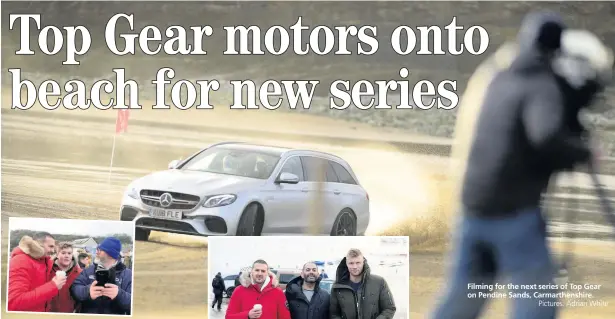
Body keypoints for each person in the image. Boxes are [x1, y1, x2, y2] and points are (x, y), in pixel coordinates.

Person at [431, 12, 613, 319]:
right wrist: (582, 152)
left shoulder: (501, 77)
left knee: (461, 302)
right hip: (512, 214)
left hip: (473, 210)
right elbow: (545, 138)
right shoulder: (542, 86)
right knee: (537, 304)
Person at [71, 237, 133, 315]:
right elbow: (74, 289)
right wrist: (87, 291)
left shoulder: (127, 274)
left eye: (100, 249)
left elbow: (134, 303)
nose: (97, 252)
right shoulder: (88, 271)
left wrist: (119, 294)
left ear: (110, 254)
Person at [7, 232, 66, 312]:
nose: (53, 251)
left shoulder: (45, 260)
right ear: (38, 244)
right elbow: (14, 302)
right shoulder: (20, 261)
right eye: (50, 246)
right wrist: (53, 286)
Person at [330, 249, 396, 319]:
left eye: (358, 262)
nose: (355, 267)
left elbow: (389, 308)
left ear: (363, 262)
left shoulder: (379, 282)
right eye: (351, 263)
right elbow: (333, 314)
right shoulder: (337, 287)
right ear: (346, 263)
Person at [226, 259, 291, 319]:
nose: (260, 273)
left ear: (267, 273)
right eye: (257, 270)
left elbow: (285, 317)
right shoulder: (239, 290)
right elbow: (229, 317)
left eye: (263, 271)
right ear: (251, 271)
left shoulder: (278, 292)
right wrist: (247, 315)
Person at [50, 242, 83, 313]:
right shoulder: (48, 270)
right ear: (57, 254)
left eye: (69, 253)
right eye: (63, 253)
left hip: (70, 314)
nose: (66, 256)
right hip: (49, 313)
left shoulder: (80, 273)